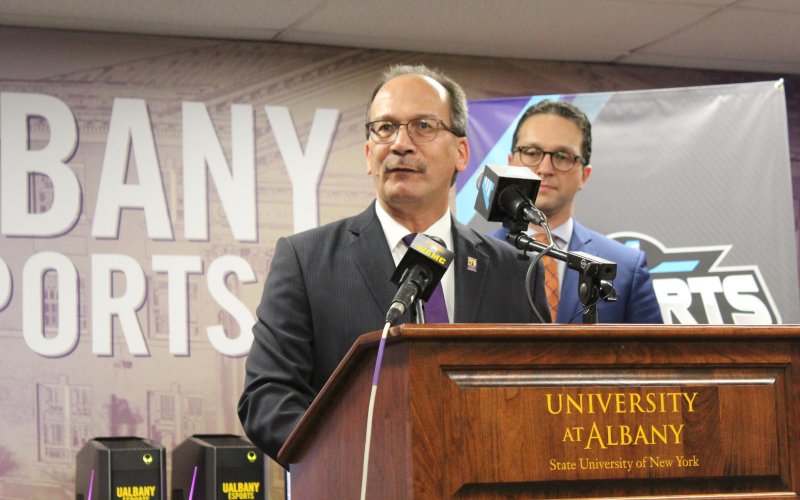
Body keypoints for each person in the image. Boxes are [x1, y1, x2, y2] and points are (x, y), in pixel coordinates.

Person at [238, 64, 549, 464]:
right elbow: (267, 399)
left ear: (461, 152)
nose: (400, 144)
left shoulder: (514, 270)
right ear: (369, 155)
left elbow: (538, 395)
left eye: (422, 126)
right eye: (385, 128)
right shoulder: (306, 260)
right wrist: (358, 462)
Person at [494, 99, 663, 324]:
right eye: (532, 152)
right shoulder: (476, 257)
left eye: (562, 156)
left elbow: (650, 357)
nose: (545, 169)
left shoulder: (626, 268)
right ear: (510, 163)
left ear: (585, 175)